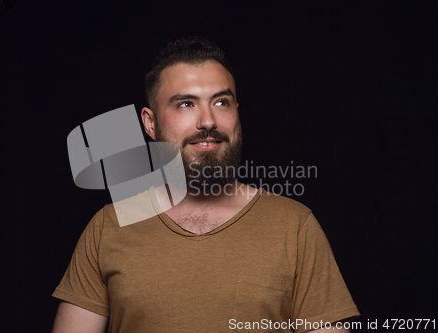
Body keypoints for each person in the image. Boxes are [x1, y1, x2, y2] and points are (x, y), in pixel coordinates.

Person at [51, 36, 360, 332]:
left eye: (222, 102)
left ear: (237, 113)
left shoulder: (295, 226)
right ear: (150, 123)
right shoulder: (108, 227)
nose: (208, 121)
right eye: (186, 104)